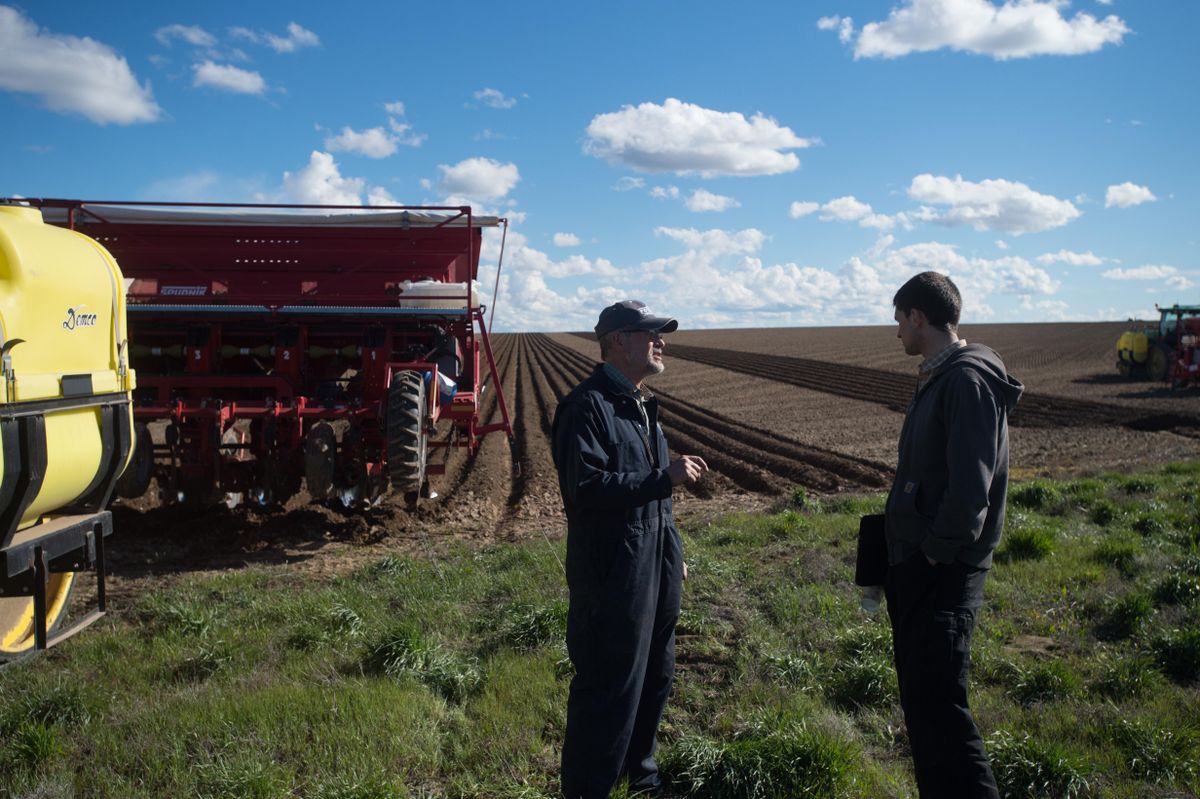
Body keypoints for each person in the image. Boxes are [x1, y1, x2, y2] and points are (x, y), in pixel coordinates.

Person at [551, 300, 708, 798]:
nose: (660, 341)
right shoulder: (587, 406)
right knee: (608, 686)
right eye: (650, 332)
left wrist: (673, 549)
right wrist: (664, 477)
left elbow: (656, 501)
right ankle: (589, 789)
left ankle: (639, 777)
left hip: (654, 562)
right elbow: (588, 489)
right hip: (612, 569)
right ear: (619, 339)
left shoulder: (641, 405)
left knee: (656, 676)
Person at [885, 271, 1023, 799]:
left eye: (899, 320)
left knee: (944, 713)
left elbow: (970, 493)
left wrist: (928, 560)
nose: (896, 332)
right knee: (924, 709)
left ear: (918, 317)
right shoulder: (941, 376)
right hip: (922, 567)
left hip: (942, 574)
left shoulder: (965, 381)